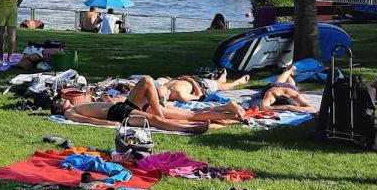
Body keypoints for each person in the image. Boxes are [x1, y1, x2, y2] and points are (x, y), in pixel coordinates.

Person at [59, 76, 247, 134]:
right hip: (119, 114)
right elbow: (87, 119)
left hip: (127, 105)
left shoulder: (84, 101)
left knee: (147, 81)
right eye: (58, 101)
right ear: (58, 109)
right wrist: (111, 125)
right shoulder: (70, 112)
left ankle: (228, 114)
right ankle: (195, 127)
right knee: (158, 120)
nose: (62, 99)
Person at [156, 69, 249, 102]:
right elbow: (199, 96)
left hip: (185, 79)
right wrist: (191, 81)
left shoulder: (160, 84)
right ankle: (238, 82)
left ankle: (222, 78)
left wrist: (175, 79)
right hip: (201, 85)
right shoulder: (179, 94)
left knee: (218, 82)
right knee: (221, 86)